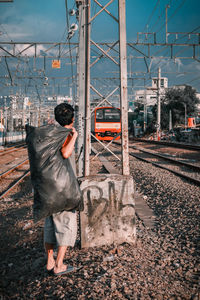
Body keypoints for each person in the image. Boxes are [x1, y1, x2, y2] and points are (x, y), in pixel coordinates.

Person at [44, 102, 79, 276]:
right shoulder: (66, 134)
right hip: (62, 188)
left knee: (50, 224)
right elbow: (65, 153)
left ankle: (49, 261)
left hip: (48, 186)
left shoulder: (51, 133)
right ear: (72, 119)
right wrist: (74, 136)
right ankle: (59, 264)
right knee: (65, 223)